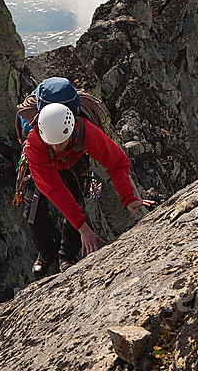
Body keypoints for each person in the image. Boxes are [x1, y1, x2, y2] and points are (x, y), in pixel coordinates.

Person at [23, 101, 154, 276]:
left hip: (73, 162)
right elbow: (54, 189)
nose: (56, 147)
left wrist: (128, 197)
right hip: (41, 166)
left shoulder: (86, 131)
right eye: (52, 144)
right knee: (33, 214)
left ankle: (66, 256)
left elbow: (116, 162)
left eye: (61, 142)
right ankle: (46, 253)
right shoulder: (35, 145)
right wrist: (83, 228)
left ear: (71, 131)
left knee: (78, 200)